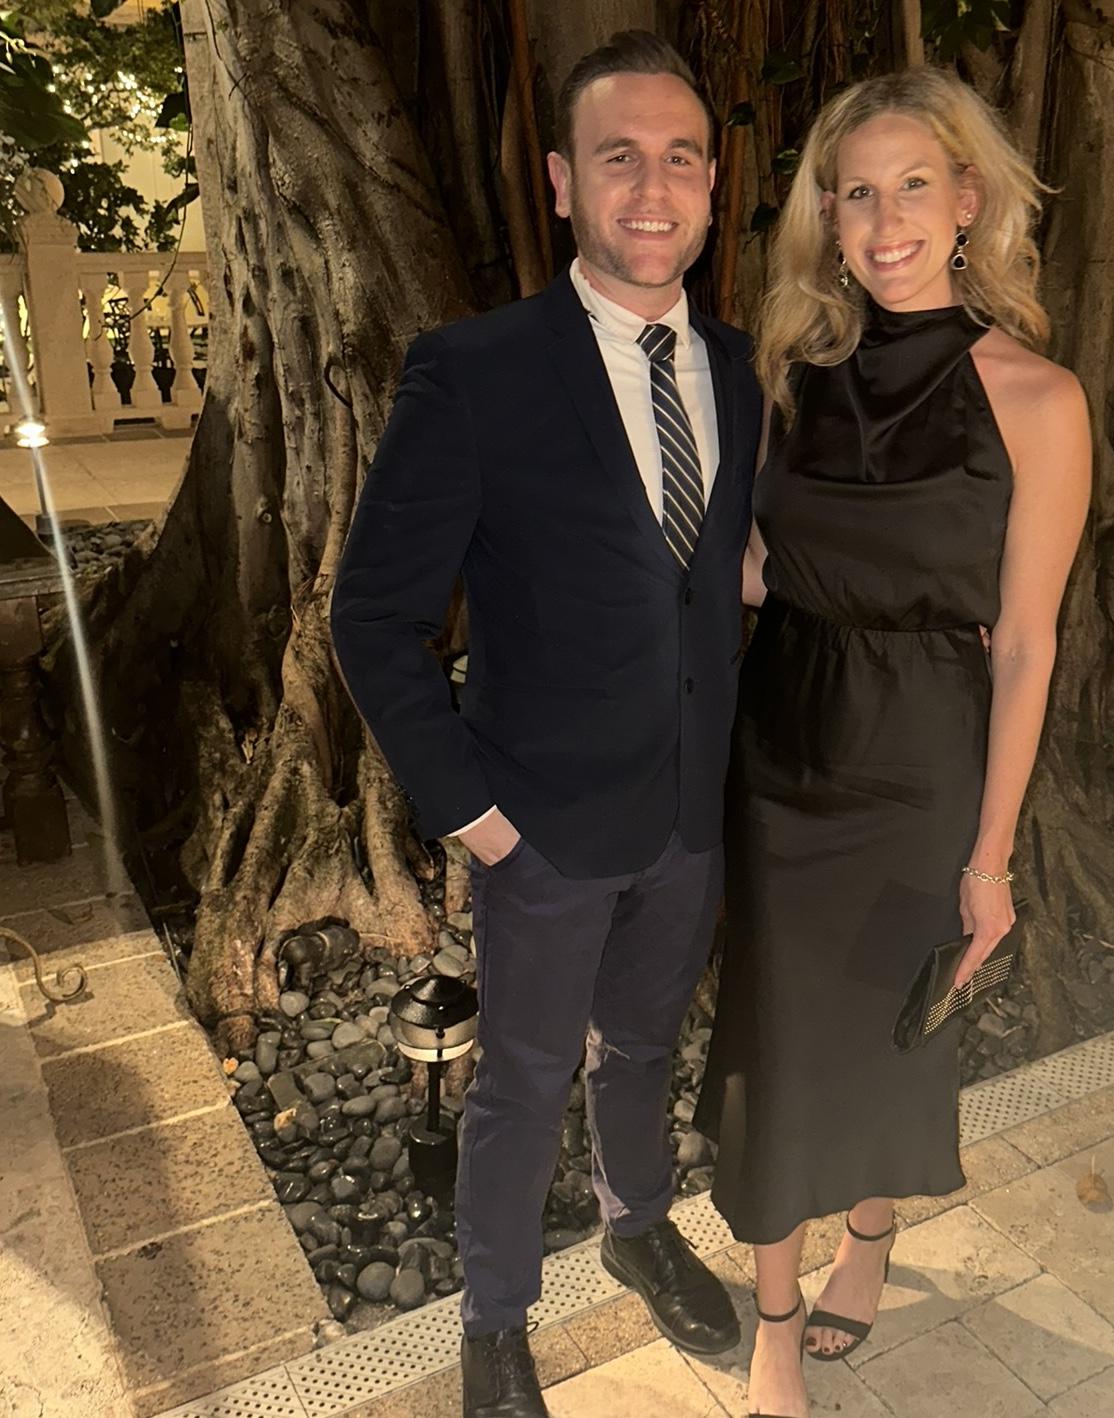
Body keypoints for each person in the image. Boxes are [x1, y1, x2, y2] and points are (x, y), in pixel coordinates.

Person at [331, 31, 763, 1418]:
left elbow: (710, 573)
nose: (654, 187)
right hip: (538, 827)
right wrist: (473, 814)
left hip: (687, 815)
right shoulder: (476, 370)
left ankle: (638, 1228)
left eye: (681, 157)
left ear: (714, 185)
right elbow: (371, 617)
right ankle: (495, 1322)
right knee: (519, 1080)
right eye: (618, 157)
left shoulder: (739, 370)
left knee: (643, 1048)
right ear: (562, 182)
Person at [692, 67, 1091, 1418]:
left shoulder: (1037, 399)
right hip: (783, 746)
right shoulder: (790, 376)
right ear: (830, 216)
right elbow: (761, 566)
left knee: (891, 1026)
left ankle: (866, 1237)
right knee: (773, 1039)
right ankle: (773, 1322)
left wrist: (991, 858)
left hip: (925, 757)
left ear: (968, 200)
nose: (884, 219)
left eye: (913, 184)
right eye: (855, 193)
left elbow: (1025, 643)